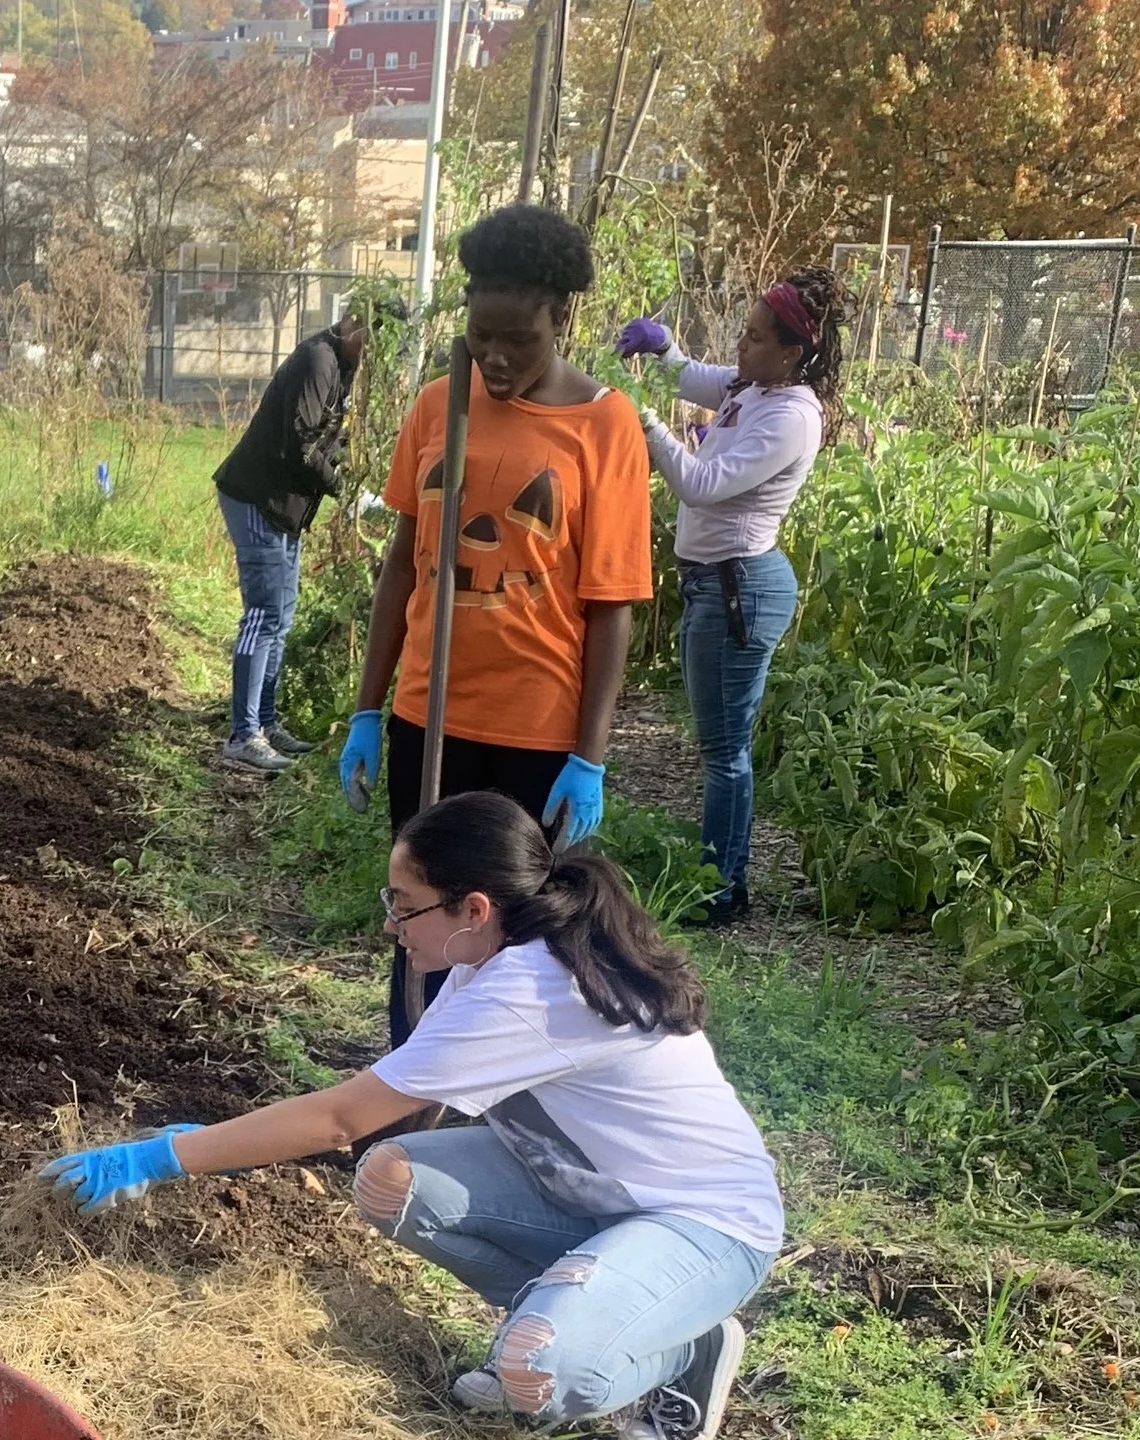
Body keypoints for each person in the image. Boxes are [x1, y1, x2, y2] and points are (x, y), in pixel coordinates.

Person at [41, 791, 782, 1440]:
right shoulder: (486, 961)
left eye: (404, 906)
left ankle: (686, 1346)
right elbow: (390, 1105)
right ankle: (582, 1309)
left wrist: (161, 1155)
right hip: (594, 1186)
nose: (390, 925)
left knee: (535, 1369)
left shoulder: (528, 988)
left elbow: (340, 1118)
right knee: (392, 1177)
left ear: (473, 909)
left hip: (705, 1222)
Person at [340, 205, 654, 1039]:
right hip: (426, 713)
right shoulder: (440, 405)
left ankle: (499, 1106)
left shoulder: (605, 425)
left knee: (514, 935)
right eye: (482, 335)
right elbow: (403, 562)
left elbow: (611, 600)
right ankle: (410, 1092)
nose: (498, 357)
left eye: (521, 338)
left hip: (533, 728)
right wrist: (368, 708)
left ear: (562, 318)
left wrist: (589, 756)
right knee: (420, 922)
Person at [617, 269, 844, 925]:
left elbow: (703, 483)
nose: (739, 346)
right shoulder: (756, 384)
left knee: (725, 753)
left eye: (752, 337)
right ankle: (724, 880)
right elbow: (696, 375)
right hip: (717, 584)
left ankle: (719, 890)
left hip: (738, 587)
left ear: (792, 351)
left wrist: (646, 425)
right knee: (723, 748)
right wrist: (663, 350)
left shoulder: (793, 418)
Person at [211, 300, 373, 773]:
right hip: (258, 498)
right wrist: (347, 491)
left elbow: (327, 441)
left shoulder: (342, 366)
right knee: (262, 615)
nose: (375, 354)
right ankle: (243, 735)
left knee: (280, 616)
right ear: (353, 323)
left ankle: (266, 722)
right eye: (373, 339)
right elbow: (301, 446)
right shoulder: (318, 360)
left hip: (285, 511)